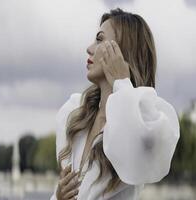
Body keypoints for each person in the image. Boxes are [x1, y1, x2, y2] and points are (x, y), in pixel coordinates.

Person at [50, 8, 180, 200]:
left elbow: (137, 147)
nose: (89, 48)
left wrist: (121, 82)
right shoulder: (77, 114)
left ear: (122, 52)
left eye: (100, 39)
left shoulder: (146, 117)